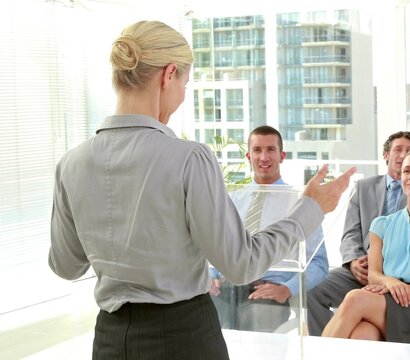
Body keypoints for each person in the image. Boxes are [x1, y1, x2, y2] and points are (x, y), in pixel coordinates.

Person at [48, 20, 354, 359]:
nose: (181, 96)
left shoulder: (70, 164)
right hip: (184, 338)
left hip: (110, 340)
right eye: (185, 84)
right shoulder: (189, 158)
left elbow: (66, 266)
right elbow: (240, 263)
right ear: (169, 74)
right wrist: (309, 208)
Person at [307, 131, 410, 336]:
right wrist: (353, 262)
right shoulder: (363, 187)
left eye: (409, 151)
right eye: (398, 149)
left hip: (400, 276)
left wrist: (382, 274)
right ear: (386, 155)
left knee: (361, 316)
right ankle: (335, 340)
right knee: (312, 291)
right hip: (360, 271)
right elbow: (350, 233)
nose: (403, 154)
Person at [321, 149, 410, 344]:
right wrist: (390, 283)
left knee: (355, 298)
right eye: (406, 171)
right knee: (363, 335)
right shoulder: (381, 224)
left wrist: (395, 289)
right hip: (386, 300)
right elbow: (374, 275)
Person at [208, 125, 329, 332]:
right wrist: (211, 275)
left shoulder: (299, 203)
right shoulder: (234, 199)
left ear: (282, 156)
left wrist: (287, 289)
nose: (264, 157)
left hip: (268, 290)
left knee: (254, 341)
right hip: (227, 286)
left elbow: (319, 263)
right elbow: (217, 246)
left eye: (270, 150)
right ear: (248, 156)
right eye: (257, 150)